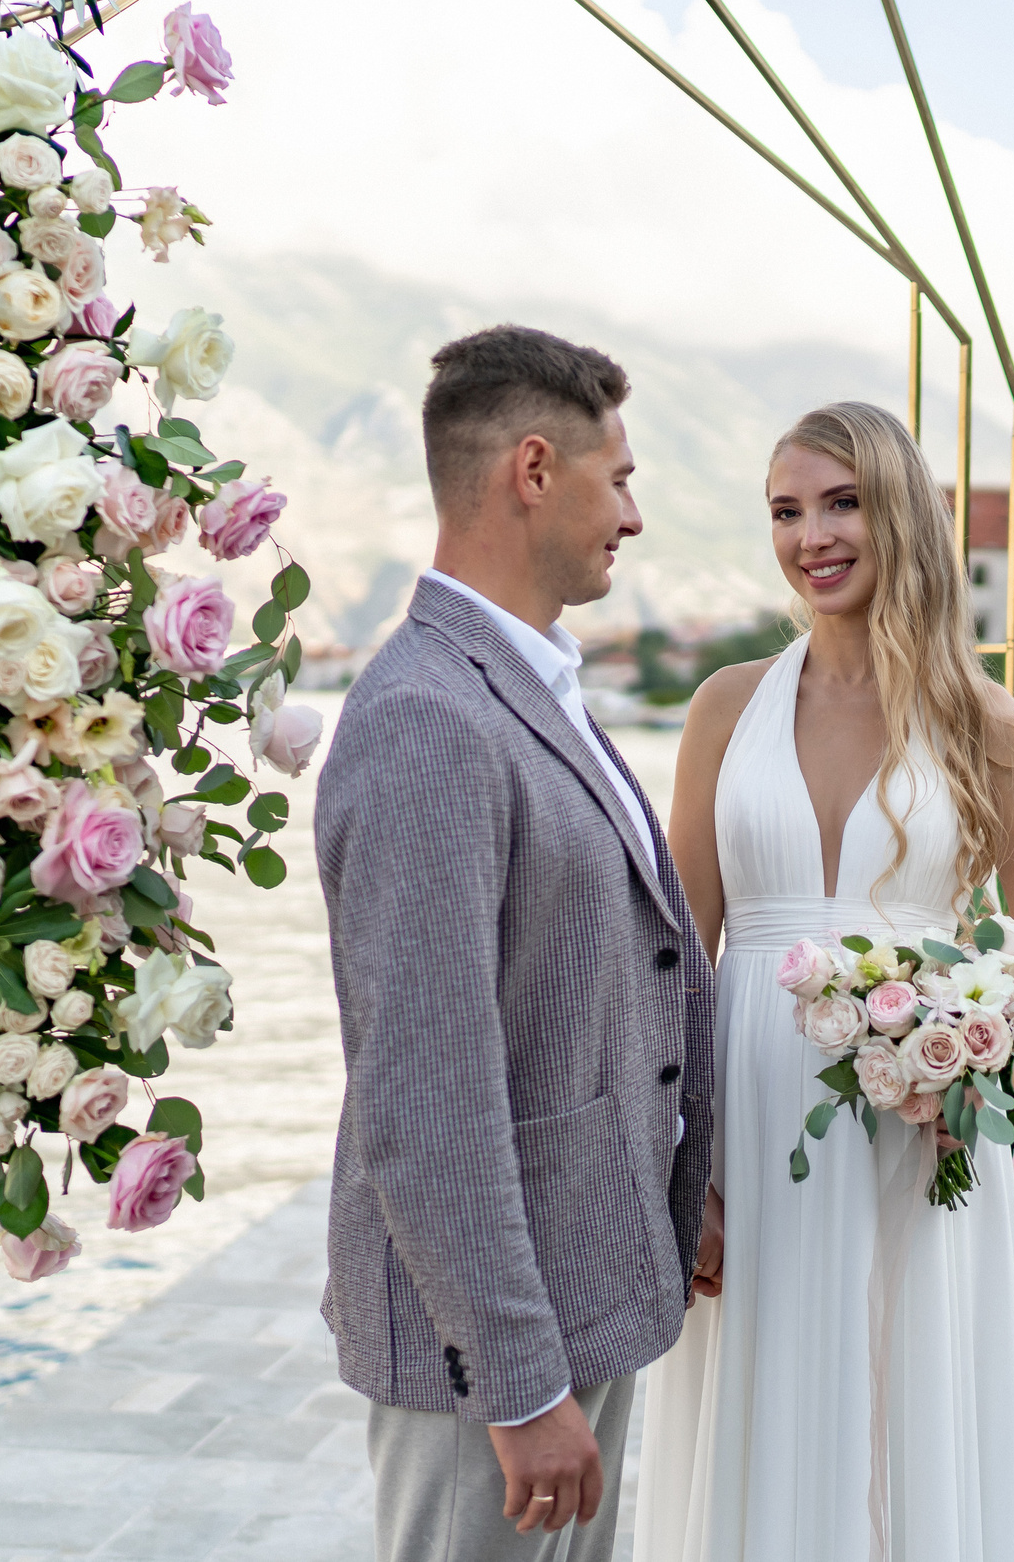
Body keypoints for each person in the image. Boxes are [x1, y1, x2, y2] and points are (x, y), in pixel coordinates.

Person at [633, 402, 1014, 1562]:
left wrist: (963, 1037)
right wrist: (686, 1169)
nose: (810, 536)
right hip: (751, 1135)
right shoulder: (727, 706)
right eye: (785, 511)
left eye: (840, 504)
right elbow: (680, 947)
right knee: (760, 1396)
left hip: (916, 1132)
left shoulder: (985, 723)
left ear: (898, 515)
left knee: (903, 1407)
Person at [315, 325, 718, 1562]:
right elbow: (423, 1096)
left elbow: (601, 974)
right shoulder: (427, 720)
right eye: (622, 477)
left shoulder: (529, 683)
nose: (635, 517)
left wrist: (675, 1190)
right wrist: (520, 1387)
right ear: (534, 471)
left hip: (579, 1283)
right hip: (486, 1354)